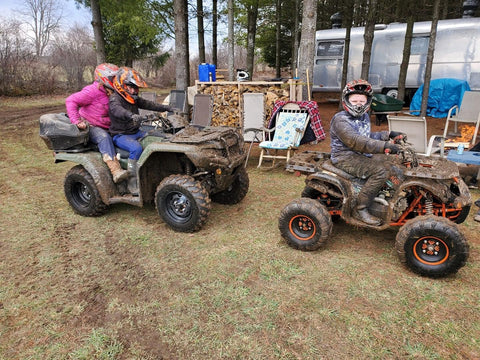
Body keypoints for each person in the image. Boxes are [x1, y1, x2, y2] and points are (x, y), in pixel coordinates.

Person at [330, 79, 405, 226]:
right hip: (344, 157)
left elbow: (366, 136)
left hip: (360, 154)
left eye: (362, 101)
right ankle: (360, 208)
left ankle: (386, 196)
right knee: (380, 172)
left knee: (394, 164)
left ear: (367, 102)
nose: (358, 103)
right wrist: (385, 146)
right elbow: (356, 141)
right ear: (346, 100)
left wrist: (388, 134)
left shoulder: (363, 116)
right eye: (354, 100)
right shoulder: (341, 120)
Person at [108, 66, 173, 195]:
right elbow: (117, 110)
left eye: (135, 88)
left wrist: (167, 108)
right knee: (136, 149)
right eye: (130, 87)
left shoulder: (133, 98)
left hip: (135, 132)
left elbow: (149, 104)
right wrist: (131, 115)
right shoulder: (115, 99)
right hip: (120, 135)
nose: (133, 91)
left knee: (159, 137)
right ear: (122, 85)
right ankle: (132, 183)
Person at [65, 63, 128, 184]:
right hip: (92, 125)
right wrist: (77, 121)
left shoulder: (114, 91)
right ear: (104, 78)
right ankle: (115, 170)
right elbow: (71, 100)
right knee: (104, 137)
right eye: (113, 78)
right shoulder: (92, 91)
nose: (116, 80)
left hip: (109, 125)